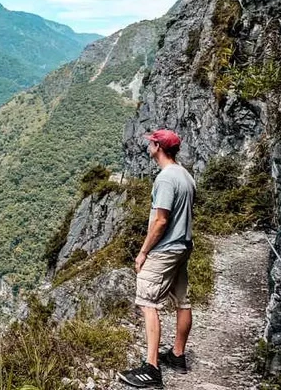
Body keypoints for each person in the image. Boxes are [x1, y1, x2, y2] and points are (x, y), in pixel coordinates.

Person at [118, 129, 196, 388]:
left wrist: (143, 253)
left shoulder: (165, 179)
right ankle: (177, 356)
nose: (148, 145)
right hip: (183, 246)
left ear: (159, 147)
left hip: (165, 250)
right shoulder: (185, 175)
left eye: (152, 142)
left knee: (147, 301)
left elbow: (161, 220)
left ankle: (151, 368)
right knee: (183, 301)